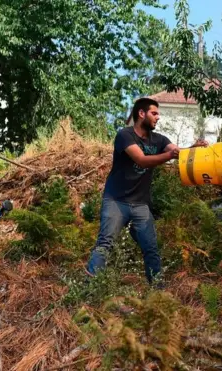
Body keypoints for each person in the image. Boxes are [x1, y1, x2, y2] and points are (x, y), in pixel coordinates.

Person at [85, 97, 208, 285]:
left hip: (140, 204)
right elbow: (141, 160)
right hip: (116, 201)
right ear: (141, 114)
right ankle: (89, 289)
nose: (158, 117)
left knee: (150, 248)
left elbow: (177, 152)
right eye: (154, 113)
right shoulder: (124, 135)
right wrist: (169, 155)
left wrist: (194, 149)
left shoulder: (159, 140)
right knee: (105, 244)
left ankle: (157, 294)